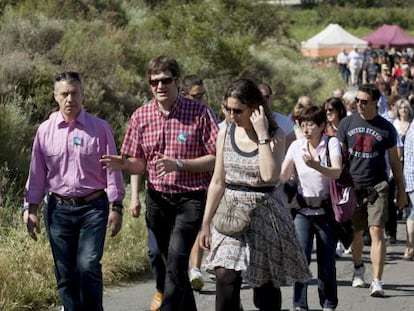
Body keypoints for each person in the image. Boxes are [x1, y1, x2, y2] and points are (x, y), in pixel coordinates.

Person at [101, 55, 219, 311]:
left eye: (166, 80)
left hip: (190, 197)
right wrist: (123, 164)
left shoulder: (199, 112)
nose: (160, 87)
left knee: (177, 261)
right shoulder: (141, 116)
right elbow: (138, 163)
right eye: (154, 82)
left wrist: (180, 164)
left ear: (177, 81)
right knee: (167, 263)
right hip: (157, 200)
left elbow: (215, 159)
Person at [199, 78, 311, 311]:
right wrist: (206, 224)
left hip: (264, 214)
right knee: (225, 275)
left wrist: (262, 135)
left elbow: (270, 175)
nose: (231, 115)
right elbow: (218, 180)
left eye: (238, 110)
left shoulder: (276, 134)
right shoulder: (225, 132)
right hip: (230, 212)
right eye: (227, 109)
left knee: (265, 287)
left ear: (254, 108)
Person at [24, 71, 125, 311]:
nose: (70, 99)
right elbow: (37, 174)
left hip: (93, 208)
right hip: (58, 210)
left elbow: (112, 170)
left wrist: (117, 206)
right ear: (55, 97)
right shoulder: (45, 131)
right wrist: (31, 209)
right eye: (64, 94)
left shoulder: (100, 129)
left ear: (83, 95)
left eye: (74, 93)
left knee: (88, 265)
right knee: (65, 272)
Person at [336, 83, 407, 297]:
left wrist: (401, 191)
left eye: (364, 101)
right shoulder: (346, 124)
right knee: (357, 232)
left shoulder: (386, 128)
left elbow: (395, 163)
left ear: (376, 103)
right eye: (357, 100)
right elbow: (338, 158)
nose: (359, 104)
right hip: (353, 185)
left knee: (376, 230)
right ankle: (359, 269)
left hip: (378, 185)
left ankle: (377, 280)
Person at [280, 105, 342, 311]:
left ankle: (329, 303)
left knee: (326, 262)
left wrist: (317, 166)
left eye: (311, 125)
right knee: (301, 259)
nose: (306, 129)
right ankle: (299, 304)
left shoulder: (331, 143)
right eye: (302, 125)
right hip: (302, 210)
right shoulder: (296, 147)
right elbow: (282, 175)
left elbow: (336, 172)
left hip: (326, 211)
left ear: (322, 125)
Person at [182, 74, 210, 291]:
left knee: (200, 225)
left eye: (202, 95)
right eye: (196, 96)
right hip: (174, 186)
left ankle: (196, 269)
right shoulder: (177, 116)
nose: (201, 99)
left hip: (203, 182)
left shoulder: (207, 114)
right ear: (184, 94)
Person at [130, 174, 165, 311]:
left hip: (184, 199)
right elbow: (136, 162)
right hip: (156, 201)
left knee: (176, 254)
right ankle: (161, 289)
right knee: (155, 252)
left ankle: (176, 294)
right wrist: (134, 197)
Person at [258, 83, 295, 147]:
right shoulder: (246, 122)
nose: (263, 100)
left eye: (266, 97)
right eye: (259, 97)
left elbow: (293, 139)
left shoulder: (284, 121)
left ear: (271, 99)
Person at [402, 121, 414, 260]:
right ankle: (409, 248)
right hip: (412, 176)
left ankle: (410, 248)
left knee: (412, 212)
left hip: (410, 175)